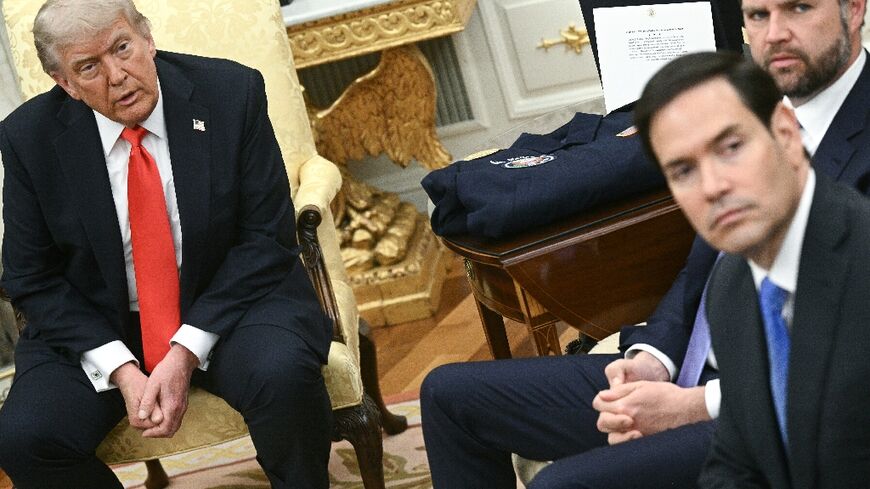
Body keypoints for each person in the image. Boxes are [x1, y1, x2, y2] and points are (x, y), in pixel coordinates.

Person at [420, 0, 870, 486]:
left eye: (799, 7)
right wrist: (653, 359)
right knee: (449, 396)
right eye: (758, 15)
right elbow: (704, 273)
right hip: (699, 371)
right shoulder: (743, 111)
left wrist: (694, 405)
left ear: (854, 9)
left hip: (789, 413)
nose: (775, 33)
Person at [0, 1, 333, 488]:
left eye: (122, 48)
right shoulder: (29, 138)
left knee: (282, 376)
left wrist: (185, 349)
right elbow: (31, 276)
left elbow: (266, 237)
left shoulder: (230, 93)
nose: (117, 75)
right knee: (25, 438)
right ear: (65, 83)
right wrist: (119, 368)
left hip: (230, 303)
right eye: (89, 67)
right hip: (103, 322)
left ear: (147, 38)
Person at [634, 50, 870, 489]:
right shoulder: (731, 289)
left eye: (731, 148)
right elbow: (737, 461)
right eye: (683, 171)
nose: (712, 187)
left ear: (786, 133)